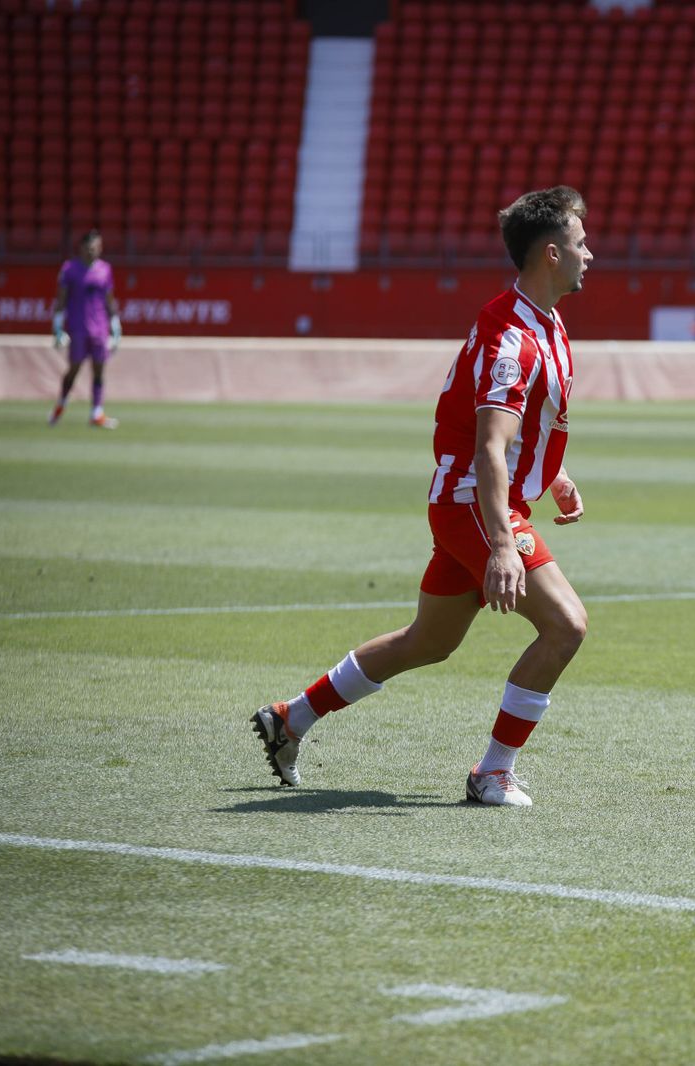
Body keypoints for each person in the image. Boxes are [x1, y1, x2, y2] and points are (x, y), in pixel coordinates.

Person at [250, 186, 594, 808]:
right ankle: (492, 773)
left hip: (472, 499)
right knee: (566, 626)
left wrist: (553, 472)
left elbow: (525, 428)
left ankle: (290, 717)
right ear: (550, 253)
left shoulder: (541, 319)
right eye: (579, 243)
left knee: (428, 642)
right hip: (475, 502)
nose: (588, 254)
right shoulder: (511, 336)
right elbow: (490, 448)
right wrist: (501, 547)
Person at [49, 228, 123, 429]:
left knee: (99, 370)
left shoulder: (105, 269)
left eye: (98, 247)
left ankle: (96, 413)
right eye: (91, 247)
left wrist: (115, 325)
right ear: (82, 248)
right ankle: (60, 405)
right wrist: (57, 327)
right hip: (78, 327)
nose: (94, 251)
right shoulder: (69, 269)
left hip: (100, 328)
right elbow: (61, 300)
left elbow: (109, 300)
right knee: (74, 369)